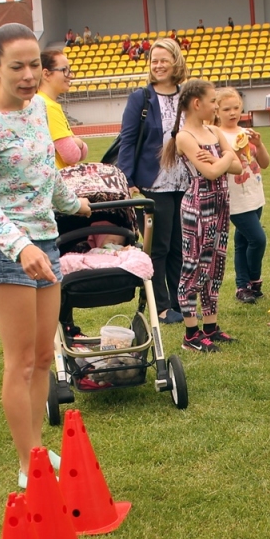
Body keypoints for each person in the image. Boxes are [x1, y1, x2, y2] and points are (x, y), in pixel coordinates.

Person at [0, 22, 91, 489]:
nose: (29, 75)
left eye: (35, 64)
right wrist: (20, 245)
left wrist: (76, 205)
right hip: (10, 253)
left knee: (44, 359)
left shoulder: (37, 111)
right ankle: (25, 463)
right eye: (18, 66)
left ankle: (37, 449)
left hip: (47, 244)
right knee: (21, 362)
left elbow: (47, 176)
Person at [161, 79, 242, 352]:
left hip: (220, 205)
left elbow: (238, 166)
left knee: (215, 266)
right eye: (212, 102)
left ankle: (210, 327)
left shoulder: (214, 131)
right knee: (193, 268)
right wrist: (225, 159)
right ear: (197, 104)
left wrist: (222, 161)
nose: (215, 107)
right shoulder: (185, 136)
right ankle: (191, 334)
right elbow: (210, 173)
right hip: (198, 207)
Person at [117, 38, 190, 325]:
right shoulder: (141, 98)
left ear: (176, 62)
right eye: (154, 60)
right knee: (158, 247)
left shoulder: (186, 95)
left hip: (184, 183)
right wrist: (129, 181)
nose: (158, 65)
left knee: (180, 247)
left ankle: (179, 301)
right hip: (152, 184)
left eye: (164, 59)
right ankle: (160, 306)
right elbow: (128, 141)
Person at [217, 87, 270, 303]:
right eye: (226, 109)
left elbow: (265, 163)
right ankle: (254, 279)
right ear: (217, 111)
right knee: (258, 239)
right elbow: (225, 165)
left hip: (255, 195)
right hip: (235, 199)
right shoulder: (216, 135)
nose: (232, 113)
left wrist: (258, 144)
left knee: (242, 242)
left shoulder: (245, 132)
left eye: (236, 108)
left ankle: (242, 286)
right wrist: (238, 153)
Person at [39, 48, 89, 169]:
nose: (70, 75)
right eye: (64, 70)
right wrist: (78, 142)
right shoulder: (47, 106)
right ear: (46, 74)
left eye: (70, 70)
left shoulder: (44, 102)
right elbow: (71, 155)